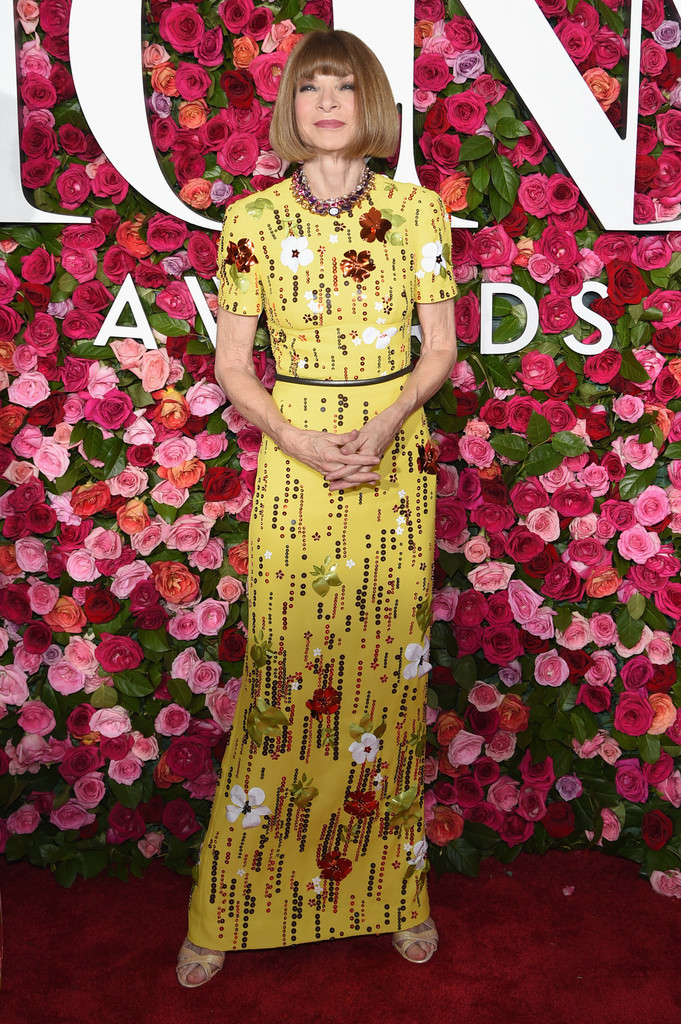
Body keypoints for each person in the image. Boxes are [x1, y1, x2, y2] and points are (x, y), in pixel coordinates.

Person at [176, 28, 457, 987]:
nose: (327, 103)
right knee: (282, 679)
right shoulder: (250, 218)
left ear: (371, 105)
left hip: (391, 452)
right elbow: (231, 364)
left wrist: (381, 429)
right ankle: (230, 907)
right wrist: (294, 437)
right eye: (310, 88)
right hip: (294, 453)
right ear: (290, 107)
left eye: (343, 87)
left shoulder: (417, 211)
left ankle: (392, 895)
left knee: (386, 680)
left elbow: (438, 350)